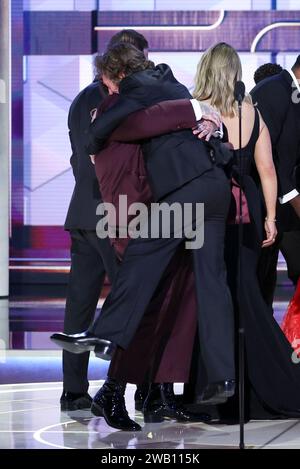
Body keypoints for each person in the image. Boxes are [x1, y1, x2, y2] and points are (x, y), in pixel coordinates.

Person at [52, 42, 236, 406]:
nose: (109, 91)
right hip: (215, 188)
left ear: (119, 74)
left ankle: (105, 336)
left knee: (141, 257)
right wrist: (197, 110)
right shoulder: (172, 85)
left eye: (109, 83)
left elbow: (95, 135)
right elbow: (165, 120)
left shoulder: (134, 92)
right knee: (212, 282)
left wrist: (192, 110)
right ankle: (222, 377)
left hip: (185, 190)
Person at [183, 43, 300, 420]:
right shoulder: (252, 112)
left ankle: (213, 387)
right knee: (246, 297)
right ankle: (258, 382)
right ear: (234, 72)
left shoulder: (197, 109)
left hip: (207, 210)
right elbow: (267, 170)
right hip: (248, 210)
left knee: (211, 296)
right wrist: (270, 218)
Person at [60, 30, 149, 413]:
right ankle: (135, 389)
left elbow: (77, 156)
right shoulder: (121, 100)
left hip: (84, 211)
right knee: (134, 300)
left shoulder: (81, 100)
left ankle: (73, 391)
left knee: (79, 303)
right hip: (113, 213)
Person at [251, 55, 300, 306]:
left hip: (286, 206)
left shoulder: (291, 93)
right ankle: (253, 341)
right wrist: (293, 198)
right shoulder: (274, 91)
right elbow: (266, 158)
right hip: (266, 203)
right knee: (260, 281)